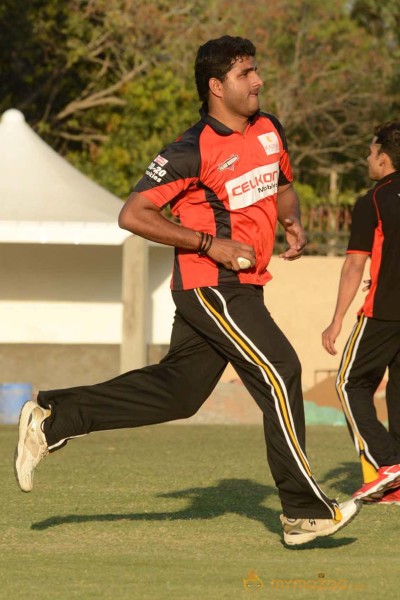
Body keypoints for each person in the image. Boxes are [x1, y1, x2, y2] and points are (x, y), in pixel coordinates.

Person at [15, 35, 361, 545]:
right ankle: (303, 511)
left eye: (256, 70)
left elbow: (282, 181)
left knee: (180, 394)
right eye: (246, 74)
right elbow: (133, 214)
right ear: (216, 86)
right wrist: (209, 242)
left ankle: (54, 418)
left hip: (245, 286)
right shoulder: (189, 149)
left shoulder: (269, 128)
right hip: (212, 286)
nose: (259, 81)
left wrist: (292, 223)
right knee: (281, 369)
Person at [322, 121, 400, 505]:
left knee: (349, 384)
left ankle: (389, 463)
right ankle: (397, 488)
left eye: (371, 153)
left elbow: (354, 265)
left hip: (384, 311)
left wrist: (337, 319)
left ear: (384, 159)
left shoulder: (372, 199)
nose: (368, 158)